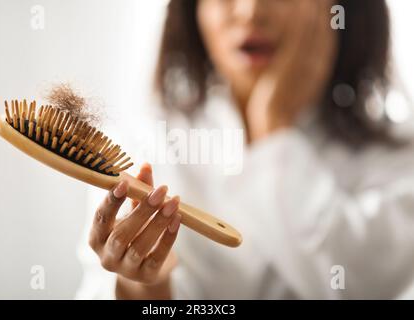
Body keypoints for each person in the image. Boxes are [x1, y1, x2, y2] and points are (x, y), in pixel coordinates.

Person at [76, 0, 414, 299]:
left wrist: (272, 123)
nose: (251, 10)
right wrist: (145, 285)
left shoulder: (397, 151)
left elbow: (361, 286)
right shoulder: (149, 137)